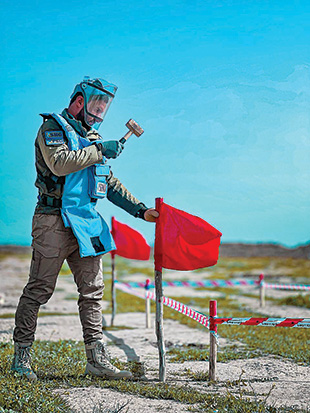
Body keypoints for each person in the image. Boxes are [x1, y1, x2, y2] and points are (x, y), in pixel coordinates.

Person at [11, 77, 159, 381]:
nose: (99, 111)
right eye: (95, 103)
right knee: (38, 290)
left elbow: (109, 183)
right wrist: (99, 150)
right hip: (52, 220)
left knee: (93, 293)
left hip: (86, 223)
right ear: (79, 100)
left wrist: (140, 210)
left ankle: (96, 359)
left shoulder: (94, 138)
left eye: (104, 106)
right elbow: (60, 163)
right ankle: (21, 358)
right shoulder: (53, 128)